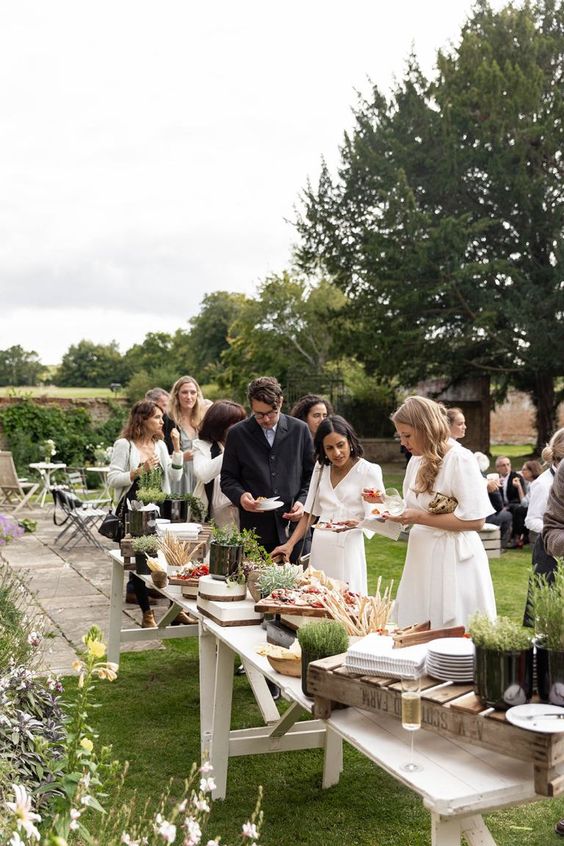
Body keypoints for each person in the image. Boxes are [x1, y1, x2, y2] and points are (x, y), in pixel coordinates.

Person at [383, 395, 496, 628]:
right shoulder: (416, 460)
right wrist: (389, 510)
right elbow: (410, 506)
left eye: (407, 435)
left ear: (426, 429)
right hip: (420, 557)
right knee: (416, 626)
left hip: (453, 559)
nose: (403, 442)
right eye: (400, 436)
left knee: (452, 635)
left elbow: (476, 520)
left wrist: (420, 518)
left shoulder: (460, 459)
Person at [271, 415, 383, 594]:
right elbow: (309, 513)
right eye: (329, 448)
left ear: (350, 441)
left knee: (346, 601)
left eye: (340, 445)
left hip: (349, 547)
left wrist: (358, 523)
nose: (336, 453)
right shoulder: (321, 468)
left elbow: (378, 517)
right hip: (321, 546)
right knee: (317, 597)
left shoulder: (369, 471)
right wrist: (290, 544)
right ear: (322, 450)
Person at [107, 400, 190, 628]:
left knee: (170, 558)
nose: (162, 422)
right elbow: (112, 478)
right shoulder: (125, 445)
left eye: (162, 418)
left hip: (159, 509)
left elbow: (174, 478)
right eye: (157, 417)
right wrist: (139, 471)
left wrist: (177, 449)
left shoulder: (160, 445)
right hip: (133, 510)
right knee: (139, 561)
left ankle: (176, 611)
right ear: (142, 420)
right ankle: (147, 613)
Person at [220, 376, 314, 559]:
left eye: (271, 412)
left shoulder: (300, 430)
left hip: (296, 533)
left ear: (280, 402)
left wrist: (303, 502)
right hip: (256, 533)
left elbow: (312, 476)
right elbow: (228, 478)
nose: (266, 419)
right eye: (259, 414)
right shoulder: (237, 434)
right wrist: (241, 496)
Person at [192, 400, 247, 527]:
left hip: (242, 511)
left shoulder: (247, 445)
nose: (241, 427)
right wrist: (232, 450)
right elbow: (203, 474)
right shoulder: (202, 446)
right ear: (219, 423)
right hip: (213, 514)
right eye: (236, 422)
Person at [165, 376, 209, 495]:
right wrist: (181, 457)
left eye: (193, 392)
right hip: (177, 478)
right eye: (184, 392)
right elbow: (159, 456)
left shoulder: (203, 419)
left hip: (200, 476)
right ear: (176, 395)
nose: (189, 397)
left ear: (197, 395)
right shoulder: (168, 420)